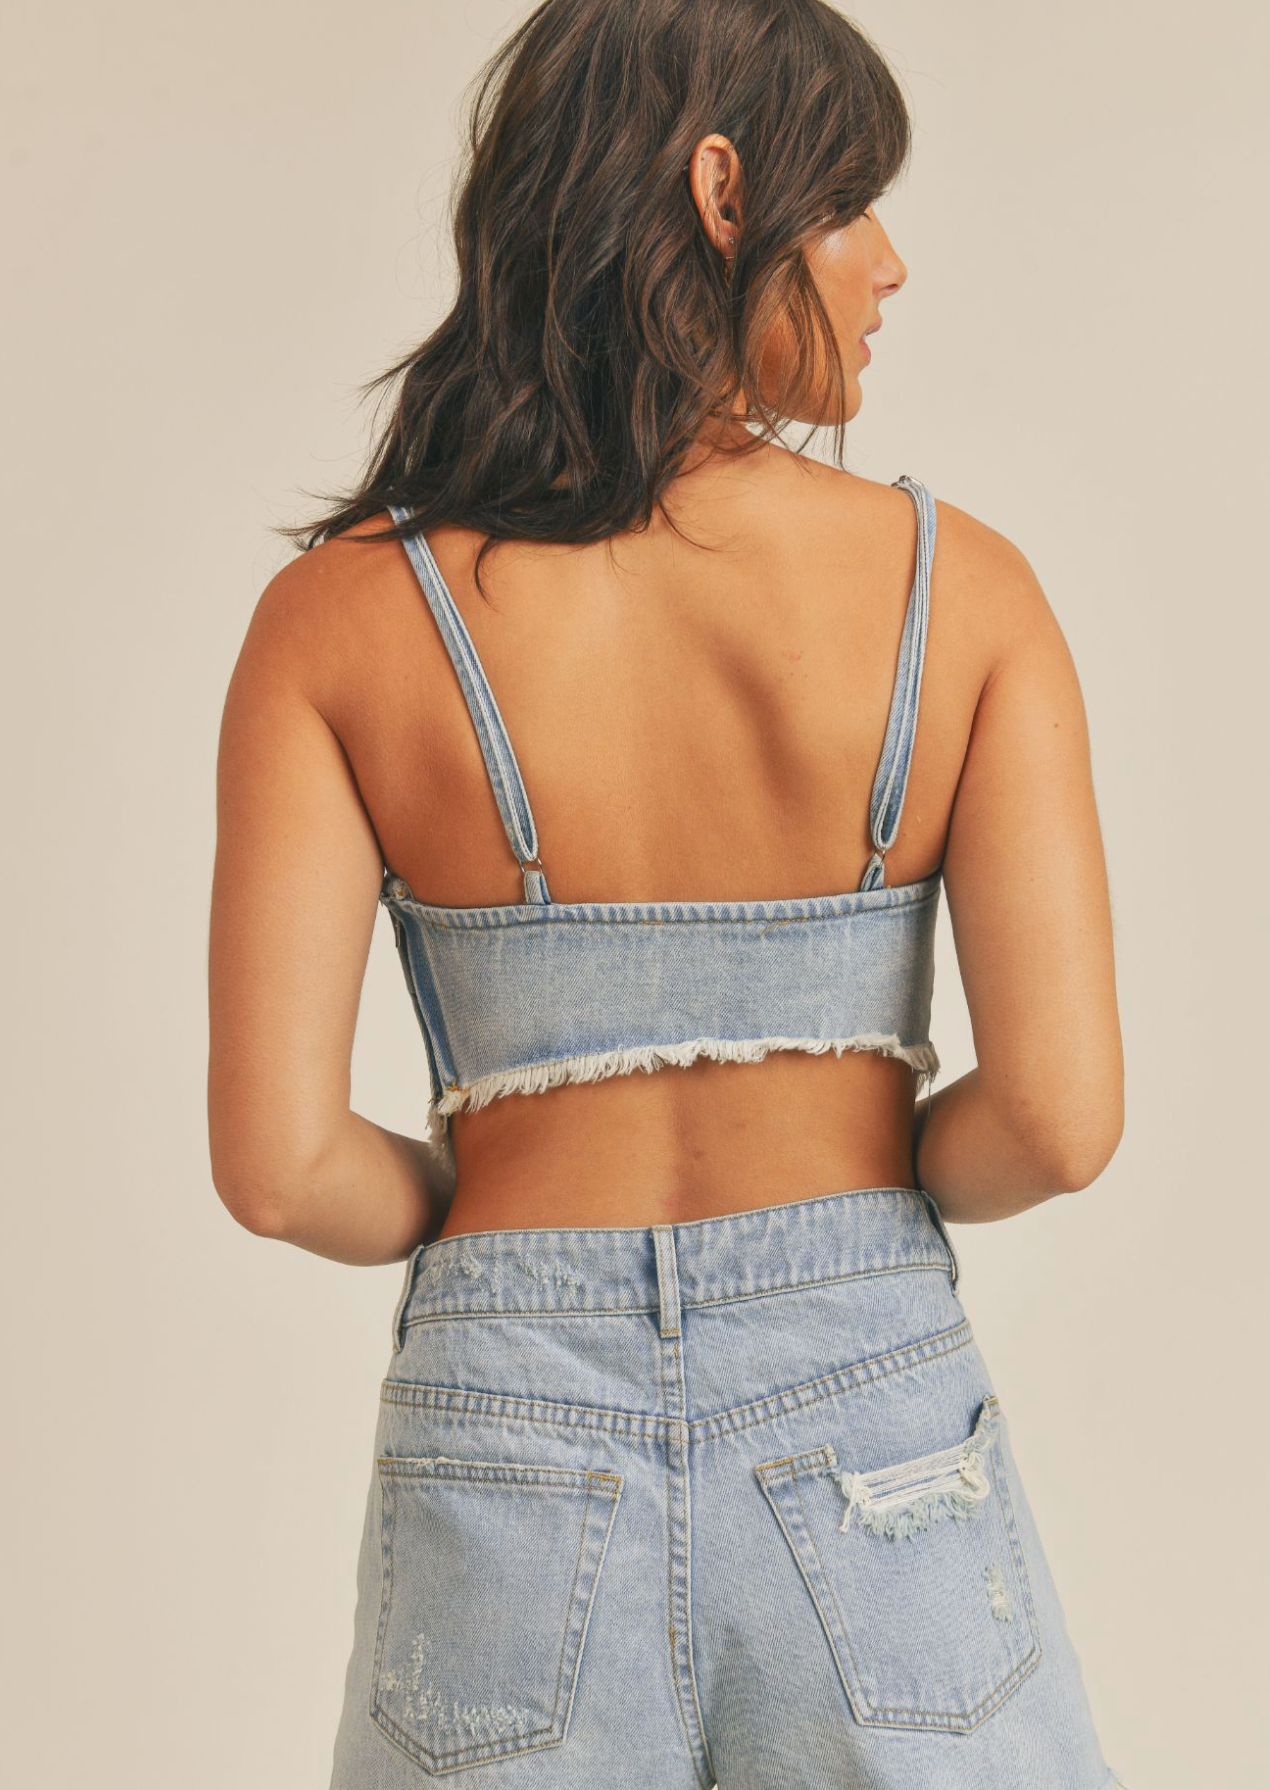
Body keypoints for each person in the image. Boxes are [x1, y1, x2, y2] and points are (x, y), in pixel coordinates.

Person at [206, 3, 1126, 1785]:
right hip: (873, 1418)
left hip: (505, 1419)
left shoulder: (334, 622)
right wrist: (865, 1185)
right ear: (722, 191)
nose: (886, 262)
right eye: (845, 203)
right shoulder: (964, 593)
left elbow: (278, 1165)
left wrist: (494, 1202)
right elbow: (1058, 1119)